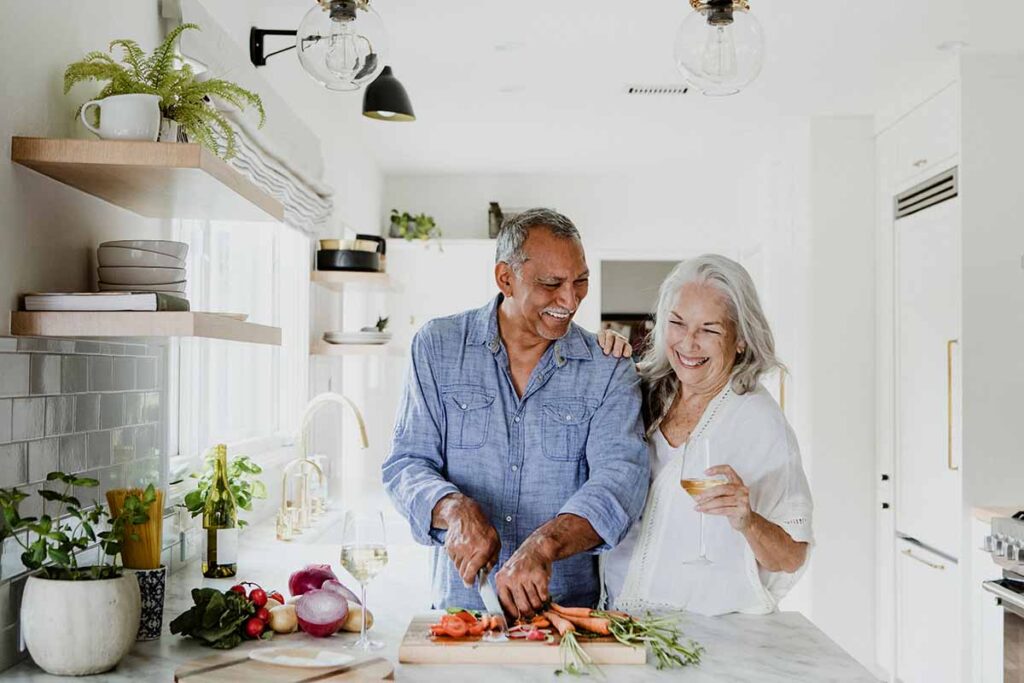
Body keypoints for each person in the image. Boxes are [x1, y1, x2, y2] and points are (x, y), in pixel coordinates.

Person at [382, 208, 649, 617]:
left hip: (566, 617)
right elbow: (406, 463)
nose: (570, 299)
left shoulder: (608, 367)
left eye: (580, 282)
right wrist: (453, 509)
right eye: (551, 284)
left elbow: (620, 481)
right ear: (505, 278)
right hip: (460, 613)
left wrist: (544, 545)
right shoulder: (437, 347)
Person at [602, 254, 813, 616]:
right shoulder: (642, 390)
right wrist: (600, 354)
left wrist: (748, 520)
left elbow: (791, 556)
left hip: (708, 635)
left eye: (710, 330)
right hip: (618, 620)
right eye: (678, 323)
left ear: (741, 339)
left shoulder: (759, 422)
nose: (688, 343)